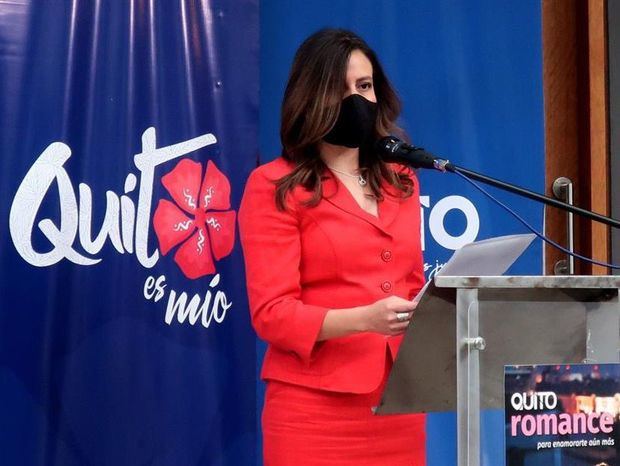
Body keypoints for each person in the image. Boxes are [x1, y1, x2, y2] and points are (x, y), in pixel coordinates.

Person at [239, 28, 426, 465]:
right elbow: (272, 314)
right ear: (311, 98)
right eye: (341, 91)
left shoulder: (401, 178)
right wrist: (365, 319)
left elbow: (412, 282)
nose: (357, 100)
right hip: (312, 413)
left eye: (364, 87)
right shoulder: (273, 185)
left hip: (398, 406)